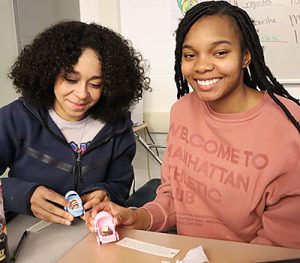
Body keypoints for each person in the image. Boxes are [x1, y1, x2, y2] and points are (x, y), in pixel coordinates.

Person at [85, 1, 300, 249]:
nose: (201, 66)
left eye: (220, 52)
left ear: (246, 56)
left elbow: (283, 241)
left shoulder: (288, 125)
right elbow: (175, 200)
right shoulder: (183, 111)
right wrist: (134, 216)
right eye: (190, 55)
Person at [0, 21, 150, 225]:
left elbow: (120, 184)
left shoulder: (117, 126)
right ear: (49, 73)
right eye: (71, 79)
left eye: (96, 84)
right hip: (26, 232)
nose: (82, 94)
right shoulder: (16, 118)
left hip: (88, 235)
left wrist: (105, 193)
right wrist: (22, 195)